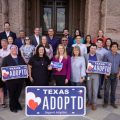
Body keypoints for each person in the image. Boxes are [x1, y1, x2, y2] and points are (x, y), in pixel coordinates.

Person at [2, 45, 25, 112]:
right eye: (12, 48)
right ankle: (12, 107)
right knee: (12, 93)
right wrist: (3, 77)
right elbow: (3, 68)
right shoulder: (6, 58)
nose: (14, 49)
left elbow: (24, 66)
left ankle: (17, 104)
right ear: (10, 50)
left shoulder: (20, 58)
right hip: (10, 80)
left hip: (20, 79)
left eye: (15, 48)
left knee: (18, 93)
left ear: (17, 50)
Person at [85, 44, 102, 110]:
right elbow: (84, 65)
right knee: (89, 88)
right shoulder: (85, 56)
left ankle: (94, 103)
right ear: (90, 48)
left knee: (95, 89)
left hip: (96, 75)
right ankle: (89, 101)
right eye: (92, 48)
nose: (93, 50)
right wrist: (86, 71)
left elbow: (101, 66)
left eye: (94, 48)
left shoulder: (99, 56)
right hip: (88, 75)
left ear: (96, 49)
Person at [103, 42, 120, 109]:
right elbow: (104, 64)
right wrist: (105, 74)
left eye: (116, 47)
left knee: (113, 90)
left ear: (117, 48)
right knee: (106, 90)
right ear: (111, 47)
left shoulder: (119, 56)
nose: (114, 48)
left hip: (116, 75)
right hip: (108, 75)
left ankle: (113, 102)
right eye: (113, 46)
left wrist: (119, 73)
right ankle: (105, 102)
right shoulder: (106, 55)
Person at [0, 39, 10, 108]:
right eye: (2, 43)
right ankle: (2, 102)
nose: (3, 44)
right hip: (0, 72)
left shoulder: (10, 51)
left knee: (10, 87)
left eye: (5, 43)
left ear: (7, 44)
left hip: (9, 72)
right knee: (1, 88)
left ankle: (11, 101)